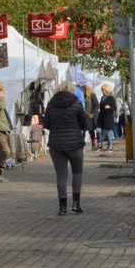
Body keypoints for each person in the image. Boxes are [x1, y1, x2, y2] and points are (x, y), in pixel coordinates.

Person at [42, 81, 88, 215]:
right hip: (75, 144)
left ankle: (62, 208)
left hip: (56, 144)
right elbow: (83, 124)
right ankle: (76, 204)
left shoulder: (51, 104)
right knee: (77, 172)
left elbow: (47, 124)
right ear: (72, 90)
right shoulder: (76, 103)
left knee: (61, 175)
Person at [97, 84, 117, 152]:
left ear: (106, 90)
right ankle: (100, 145)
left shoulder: (111, 98)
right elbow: (101, 107)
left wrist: (109, 107)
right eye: (101, 90)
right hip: (102, 117)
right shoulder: (102, 98)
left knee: (108, 132)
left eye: (103, 90)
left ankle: (110, 145)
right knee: (100, 131)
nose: (102, 92)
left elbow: (115, 108)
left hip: (108, 117)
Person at [82, 85, 99, 151]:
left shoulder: (92, 95)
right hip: (84, 116)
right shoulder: (83, 96)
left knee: (91, 131)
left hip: (90, 117)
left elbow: (97, 105)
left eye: (83, 90)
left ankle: (94, 145)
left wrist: (92, 113)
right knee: (83, 130)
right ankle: (82, 145)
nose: (82, 91)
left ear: (86, 89)